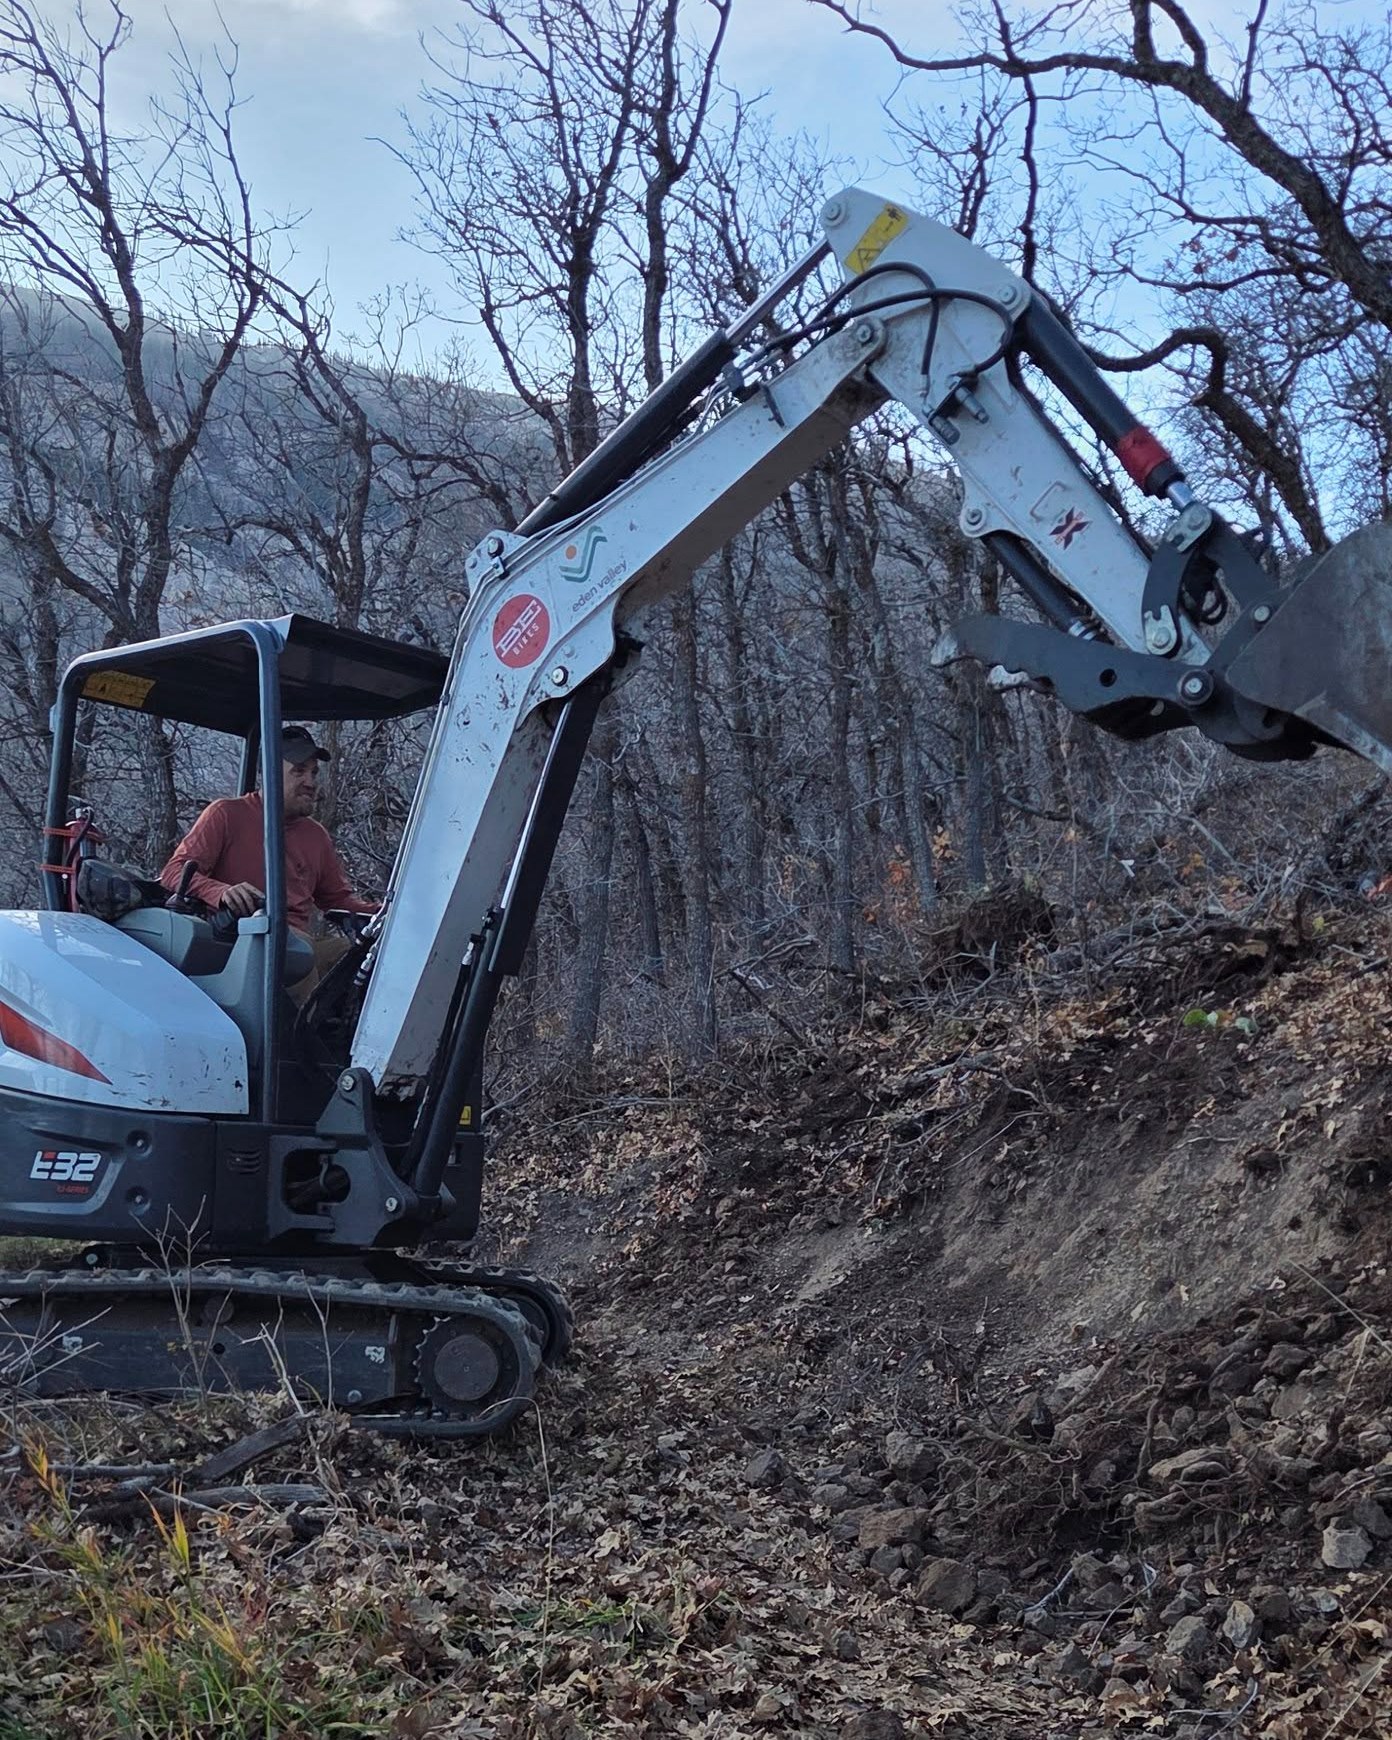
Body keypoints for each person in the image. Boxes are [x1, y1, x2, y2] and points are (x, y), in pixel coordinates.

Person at [159, 725, 377, 991]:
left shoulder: (316, 836)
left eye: (313, 772)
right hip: (239, 944)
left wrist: (391, 913)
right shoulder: (226, 814)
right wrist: (222, 892)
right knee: (296, 954)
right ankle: (294, 1033)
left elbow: (338, 900)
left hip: (297, 942)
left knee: (360, 957)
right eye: (299, 771)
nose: (310, 782)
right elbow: (173, 872)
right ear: (271, 773)